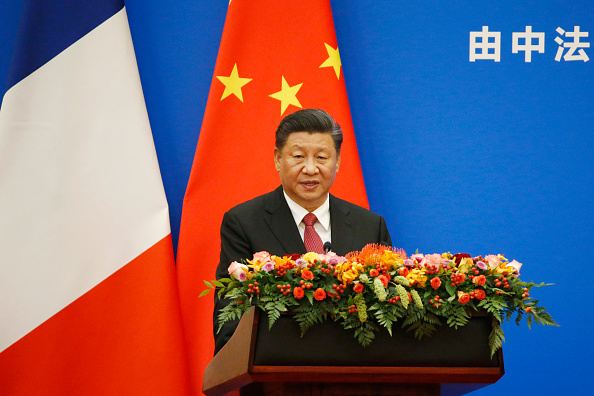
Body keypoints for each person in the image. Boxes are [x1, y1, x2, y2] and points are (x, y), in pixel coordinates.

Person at [213, 108, 391, 354]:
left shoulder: (370, 226)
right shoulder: (244, 223)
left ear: (337, 161)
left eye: (321, 157)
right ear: (277, 158)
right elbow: (231, 318)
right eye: (298, 156)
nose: (310, 169)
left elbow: (389, 312)